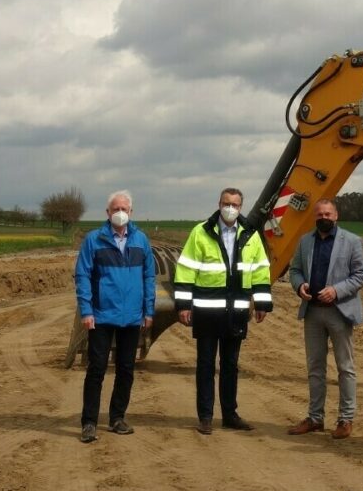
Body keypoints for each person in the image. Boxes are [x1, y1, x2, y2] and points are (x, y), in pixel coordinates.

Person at [175, 188, 272, 435]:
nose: (231, 208)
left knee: (230, 365)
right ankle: (205, 417)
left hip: (236, 312)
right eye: (227, 203)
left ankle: (230, 415)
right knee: (205, 365)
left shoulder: (250, 234)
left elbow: (260, 269)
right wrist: (184, 305)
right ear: (219, 204)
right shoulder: (201, 232)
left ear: (241, 207)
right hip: (207, 311)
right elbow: (186, 270)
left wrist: (261, 303)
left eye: (235, 204)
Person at [74, 190, 156, 443]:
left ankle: (117, 417)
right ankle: (89, 422)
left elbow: (148, 277)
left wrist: (148, 310)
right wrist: (86, 311)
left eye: (124, 209)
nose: (120, 213)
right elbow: (83, 276)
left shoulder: (141, 241)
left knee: (126, 369)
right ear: (107, 213)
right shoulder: (94, 240)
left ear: (131, 212)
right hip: (101, 316)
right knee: (97, 369)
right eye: (115, 209)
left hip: (131, 317)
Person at [287, 199, 363, 439]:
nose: (324, 217)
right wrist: (299, 284)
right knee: (315, 367)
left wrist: (337, 290)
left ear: (336, 216)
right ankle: (315, 418)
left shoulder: (351, 241)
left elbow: (362, 275)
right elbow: (295, 270)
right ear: (315, 217)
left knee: (345, 367)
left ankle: (345, 419)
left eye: (328, 213)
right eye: (320, 214)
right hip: (312, 312)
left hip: (339, 311)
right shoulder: (305, 241)